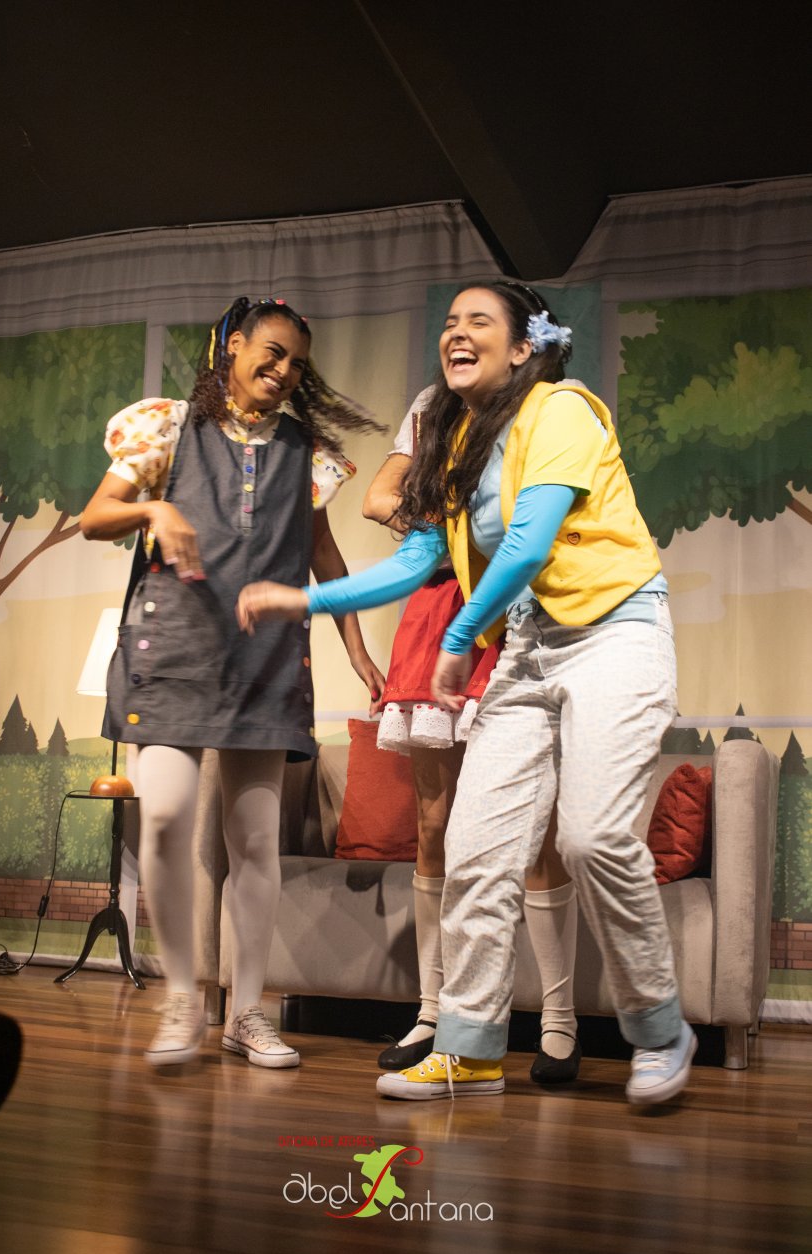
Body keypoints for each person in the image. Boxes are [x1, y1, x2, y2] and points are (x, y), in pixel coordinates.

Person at [237, 280, 695, 1107]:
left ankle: (661, 1031)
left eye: (477, 320)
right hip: (528, 649)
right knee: (477, 849)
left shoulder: (561, 410)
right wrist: (303, 600)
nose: (456, 331)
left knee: (590, 838)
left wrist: (456, 641)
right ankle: (471, 1048)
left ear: (521, 348)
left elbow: (527, 543)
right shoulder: (455, 443)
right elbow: (417, 562)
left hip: (615, 635)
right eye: (449, 321)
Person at [81, 296, 385, 1069]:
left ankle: (246, 1013)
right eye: (272, 353)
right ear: (234, 346)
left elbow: (324, 558)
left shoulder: (304, 453)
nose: (283, 372)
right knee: (163, 819)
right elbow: (94, 517)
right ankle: (183, 997)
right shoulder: (167, 428)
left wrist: (357, 649)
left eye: (296, 364)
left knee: (254, 841)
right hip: (173, 650)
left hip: (266, 659)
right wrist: (153, 510)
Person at [363, 391, 580, 1083]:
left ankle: (558, 1023)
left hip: (519, 612)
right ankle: (434, 1014)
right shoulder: (432, 404)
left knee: (536, 833)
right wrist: (445, 536)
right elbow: (376, 497)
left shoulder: (546, 405)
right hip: (437, 612)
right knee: (434, 825)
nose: (465, 343)